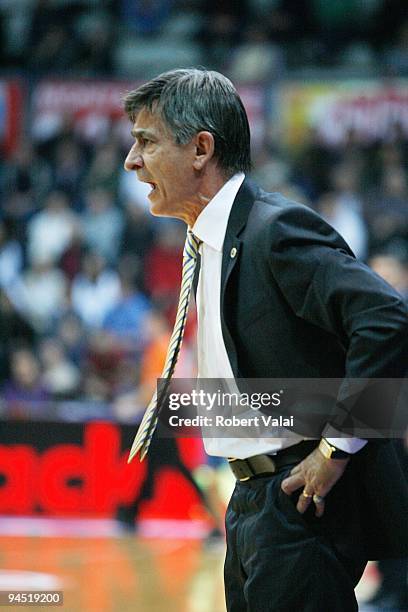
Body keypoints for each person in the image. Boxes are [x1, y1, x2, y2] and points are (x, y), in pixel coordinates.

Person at [122, 69, 408, 611]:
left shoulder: (273, 229)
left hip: (297, 499)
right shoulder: (210, 239)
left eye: (146, 142)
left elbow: (387, 319)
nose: (132, 162)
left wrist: (336, 448)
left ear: (201, 148)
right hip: (250, 500)